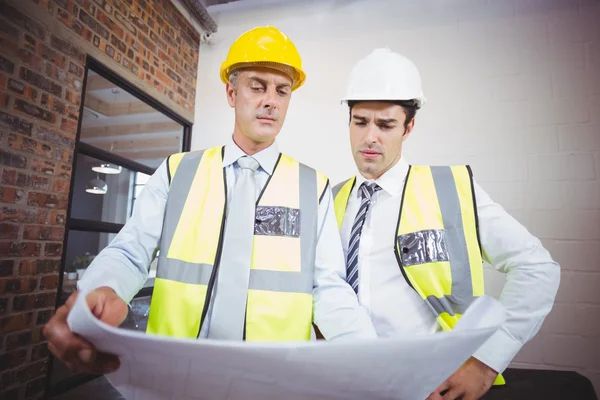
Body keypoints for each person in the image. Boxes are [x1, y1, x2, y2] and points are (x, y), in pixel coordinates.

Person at [44, 26, 377, 376]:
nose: (271, 101)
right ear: (231, 93)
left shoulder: (313, 187)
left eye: (282, 91)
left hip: (272, 379)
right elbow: (130, 251)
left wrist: (375, 362)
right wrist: (104, 290)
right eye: (257, 86)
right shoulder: (178, 172)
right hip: (176, 374)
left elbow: (328, 288)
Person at [332, 48, 560, 400]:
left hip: (427, 385)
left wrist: (485, 363)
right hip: (344, 381)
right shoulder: (330, 201)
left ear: (409, 127)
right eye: (360, 122)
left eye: (386, 124)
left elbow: (537, 268)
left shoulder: (450, 190)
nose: (369, 137)